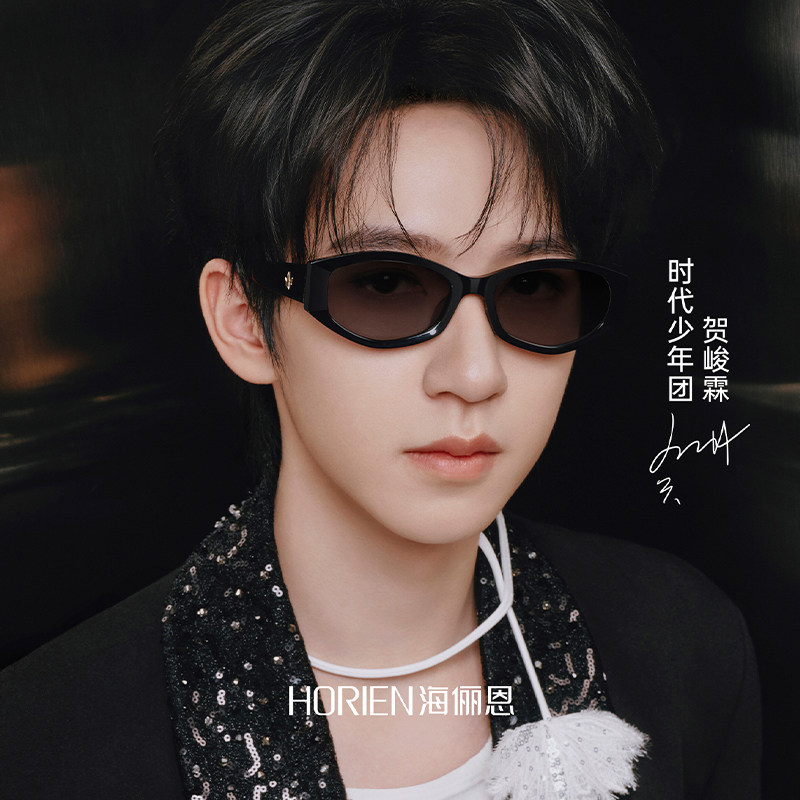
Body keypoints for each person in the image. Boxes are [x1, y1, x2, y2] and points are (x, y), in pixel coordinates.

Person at [0, 1, 760, 798]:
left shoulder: (682, 645)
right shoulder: (48, 745)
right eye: (387, 284)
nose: (475, 374)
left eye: (534, 287)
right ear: (245, 320)